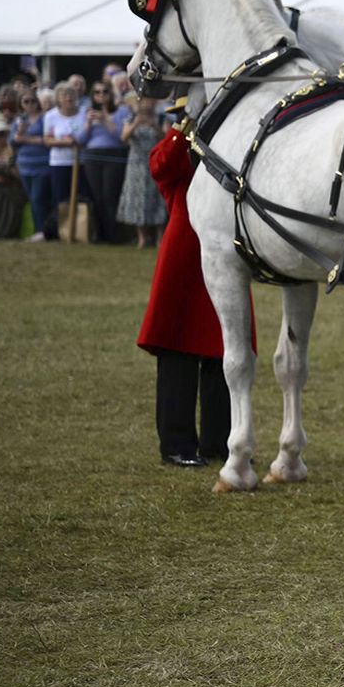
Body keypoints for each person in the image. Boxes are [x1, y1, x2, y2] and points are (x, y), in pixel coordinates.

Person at [138, 118, 237, 468]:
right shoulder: (182, 148)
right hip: (185, 259)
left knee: (224, 354)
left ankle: (220, 441)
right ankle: (177, 444)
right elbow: (159, 165)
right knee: (178, 355)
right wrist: (182, 129)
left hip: (224, 255)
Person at [117, 94, 168, 248]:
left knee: (157, 198)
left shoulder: (161, 119)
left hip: (156, 162)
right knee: (137, 198)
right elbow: (123, 138)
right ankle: (142, 238)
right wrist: (135, 125)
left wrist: (155, 126)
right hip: (136, 164)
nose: (147, 104)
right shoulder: (131, 118)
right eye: (144, 101)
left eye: (150, 101)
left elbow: (166, 138)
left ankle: (160, 238)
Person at [81, 79, 128, 244]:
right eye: (97, 92)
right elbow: (81, 139)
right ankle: (98, 235)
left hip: (114, 156)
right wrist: (87, 123)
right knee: (97, 196)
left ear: (110, 93)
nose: (101, 95)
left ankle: (114, 235)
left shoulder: (121, 111)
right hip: (92, 156)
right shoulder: (86, 112)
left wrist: (105, 120)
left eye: (105, 92)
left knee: (110, 196)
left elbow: (122, 137)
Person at [43, 82, 87, 240]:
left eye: (71, 94)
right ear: (58, 98)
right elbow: (47, 141)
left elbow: (87, 135)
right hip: (59, 162)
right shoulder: (51, 116)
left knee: (81, 197)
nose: (68, 98)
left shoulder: (83, 113)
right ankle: (62, 232)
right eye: (65, 95)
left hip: (80, 162)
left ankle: (81, 231)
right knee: (60, 198)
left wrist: (77, 141)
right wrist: (65, 142)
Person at [13, 87, 54, 241]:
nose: (29, 104)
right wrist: (19, 134)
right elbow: (13, 141)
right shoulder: (19, 120)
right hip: (24, 166)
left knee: (38, 199)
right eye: (26, 101)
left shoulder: (45, 118)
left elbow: (47, 140)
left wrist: (25, 139)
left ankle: (42, 231)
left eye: (32, 101)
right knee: (33, 199)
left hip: (42, 165)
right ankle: (40, 231)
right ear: (21, 104)